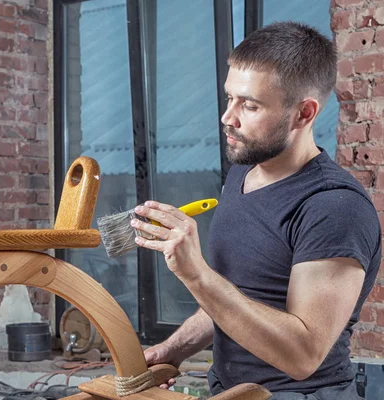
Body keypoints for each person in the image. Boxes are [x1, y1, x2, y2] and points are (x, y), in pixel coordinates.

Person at [132, 21, 381, 399]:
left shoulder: (334, 207)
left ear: (304, 113)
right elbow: (238, 300)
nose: (228, 117)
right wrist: (174, 349)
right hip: (229, 392)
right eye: (229, 97)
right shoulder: (243, 174)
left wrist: (196, 273)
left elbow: (303, 355)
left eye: (249, 105)